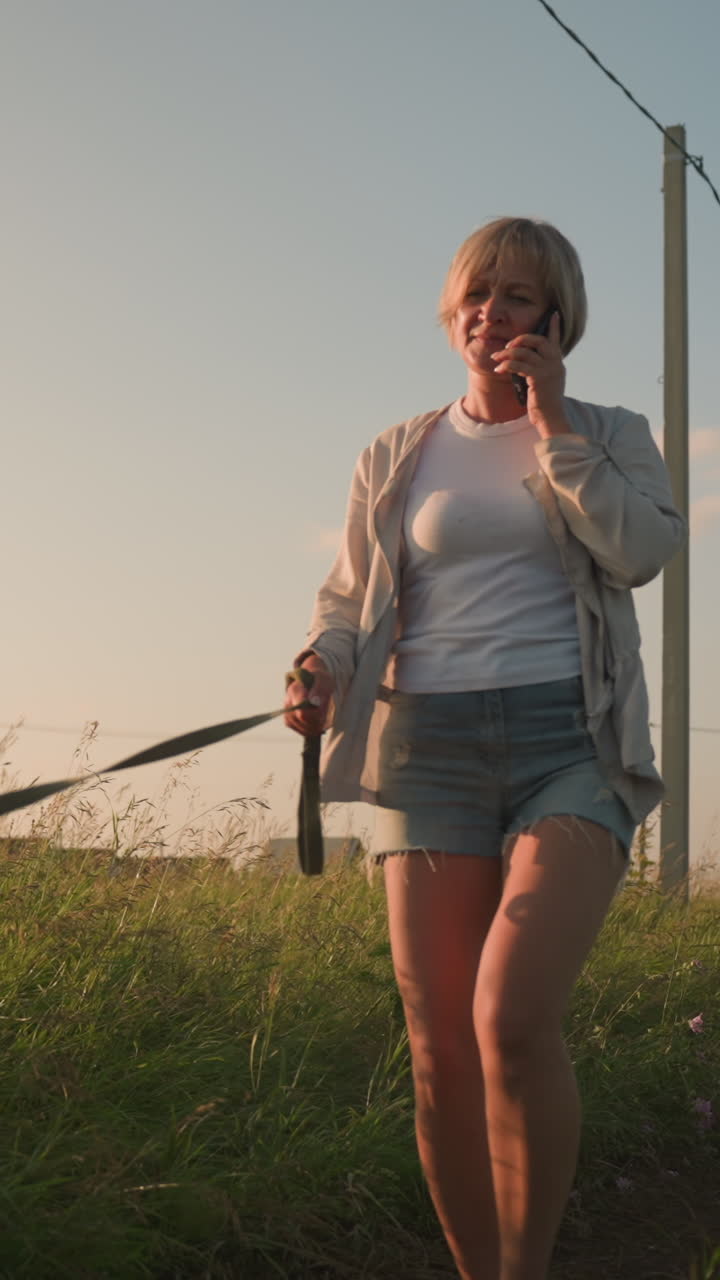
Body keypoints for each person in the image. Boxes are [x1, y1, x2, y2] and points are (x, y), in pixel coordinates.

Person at [283, 216, 687, 1280]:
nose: (490, 315)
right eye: (476, 294)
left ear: (558, 319)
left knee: (509, 1015)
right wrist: (321, 668)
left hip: (572, 738)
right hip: (428, 749)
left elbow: (641, 551)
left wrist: (554, 425)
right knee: (440, 1048)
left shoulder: (610, 430)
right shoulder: (397, 452)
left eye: (515, 298)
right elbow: (346, 602)